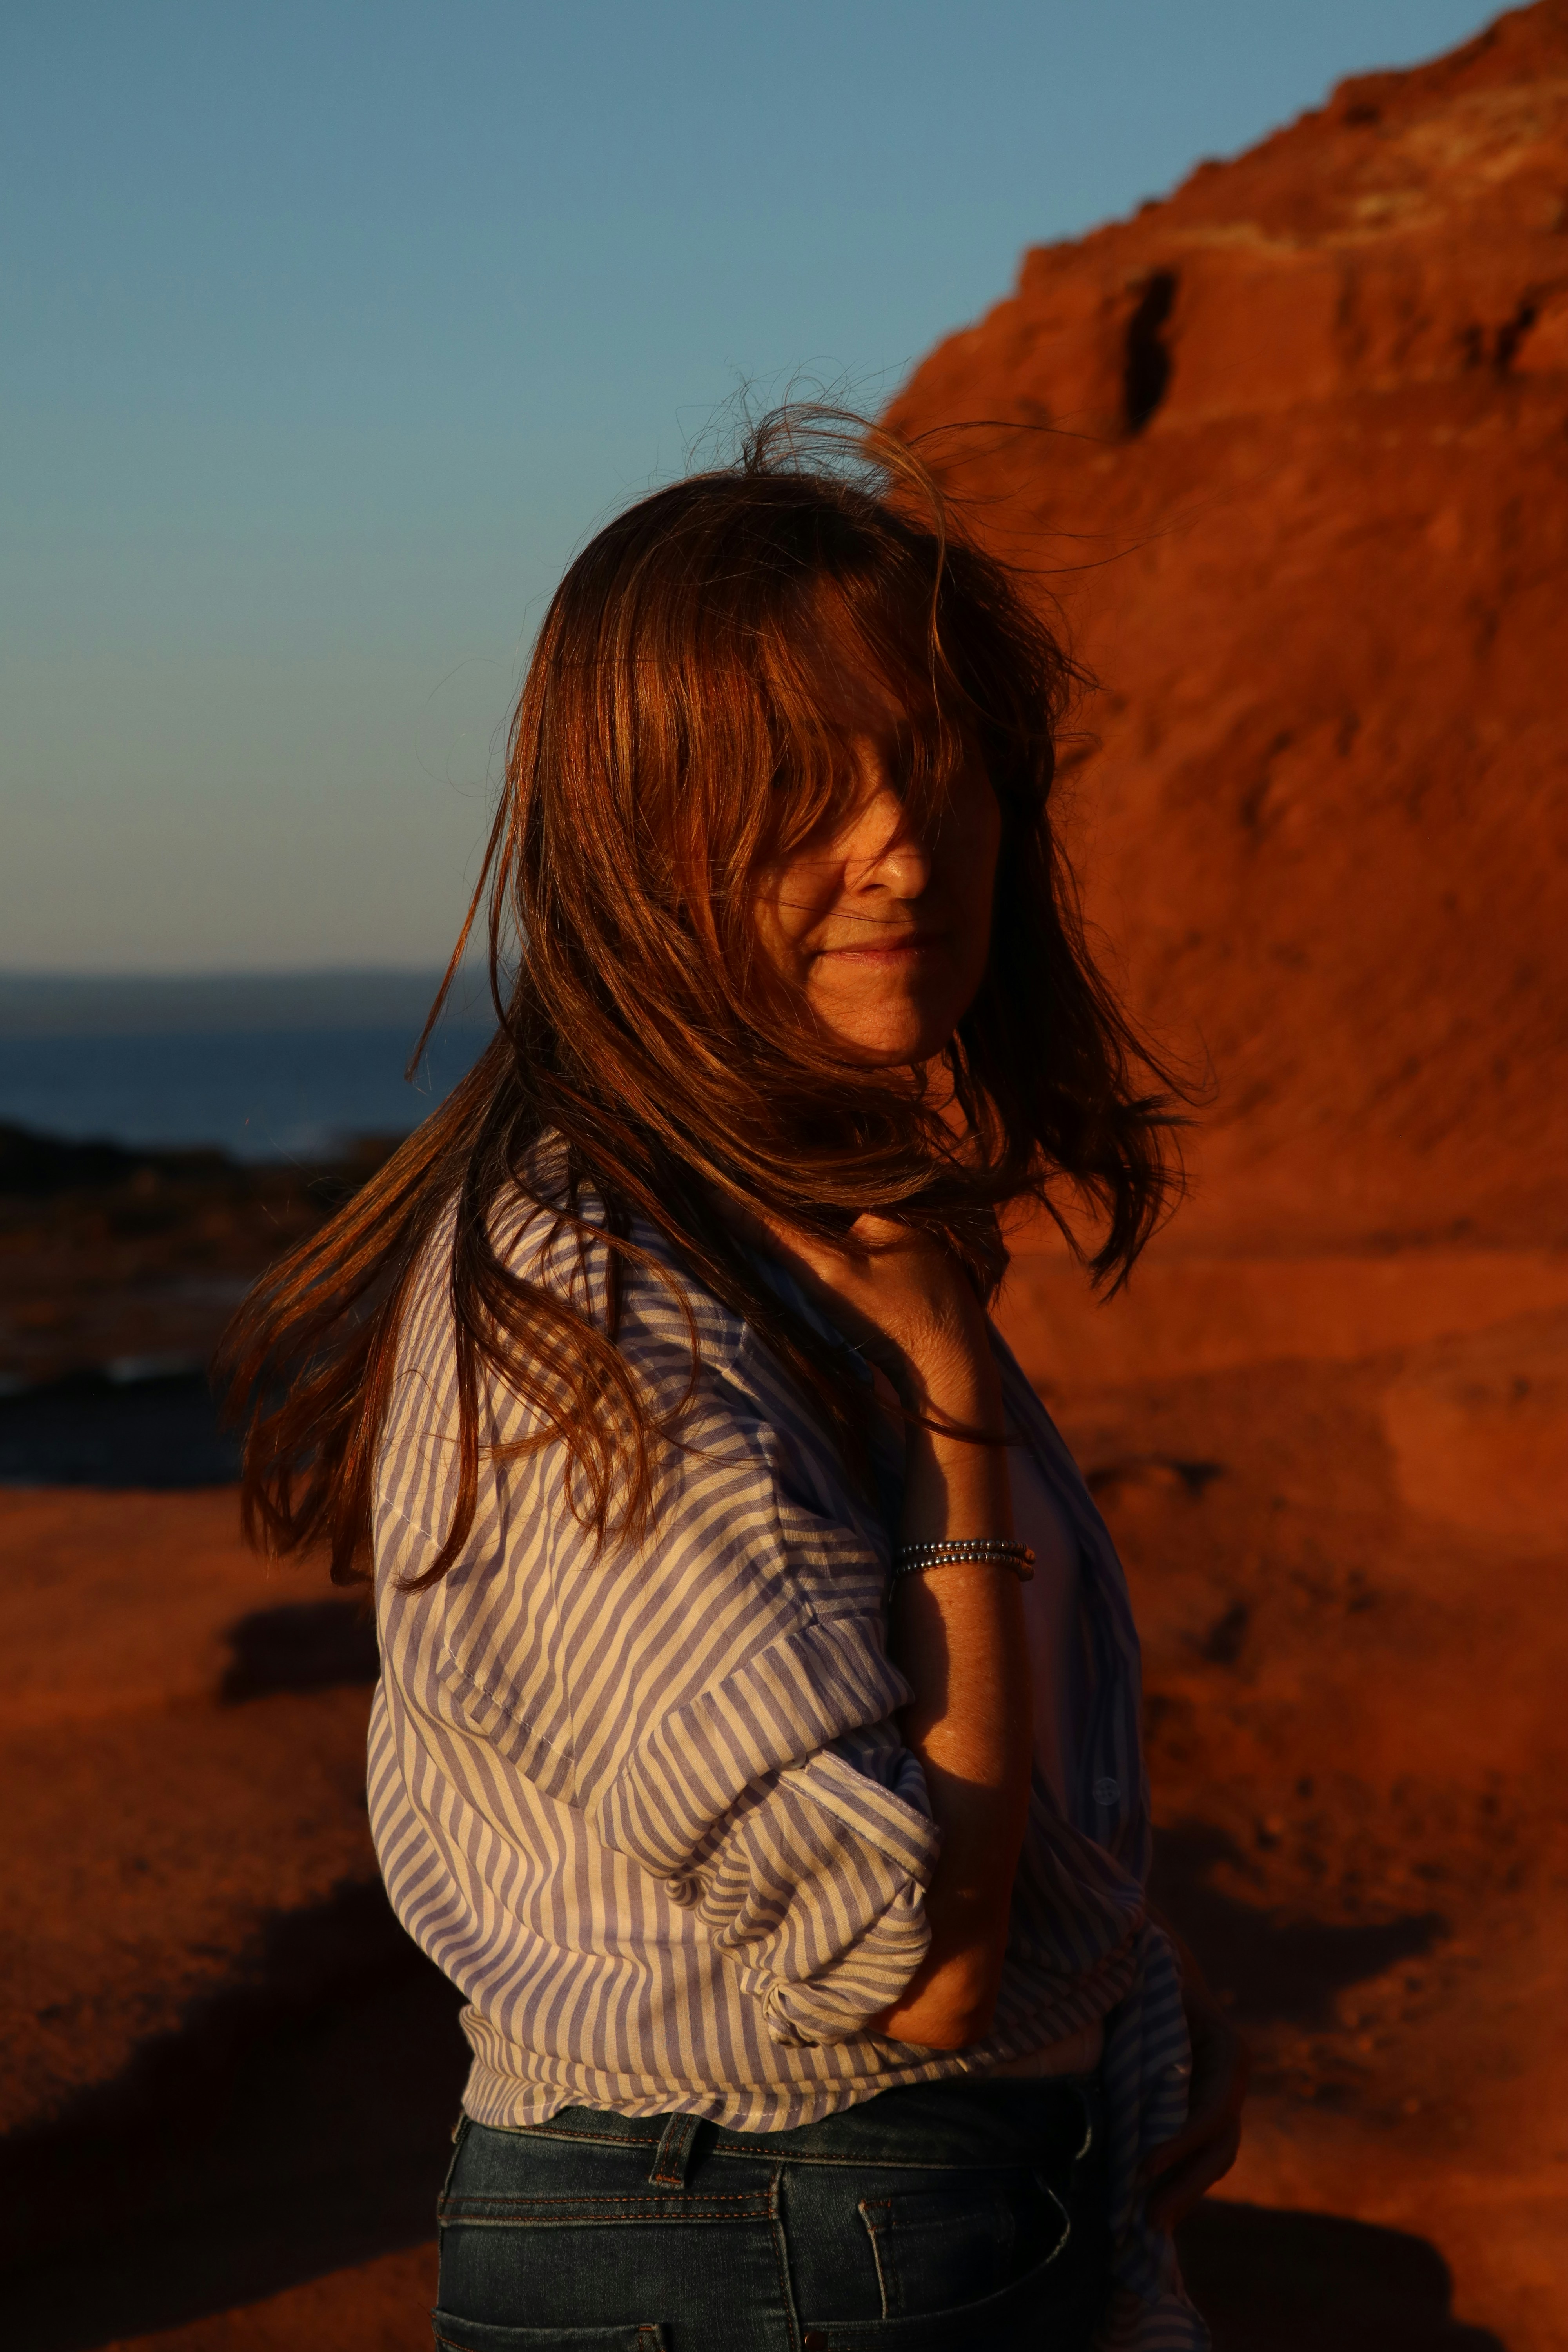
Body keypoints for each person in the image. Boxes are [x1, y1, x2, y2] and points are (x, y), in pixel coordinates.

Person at [224, 410, 1246, 2350]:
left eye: (934, 761)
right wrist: (951, 1416)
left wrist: (1127, 2005)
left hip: (863, 2221)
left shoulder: (789, 1221)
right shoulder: (607, 1290)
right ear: (636, 832)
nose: (895, 842)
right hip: (769, 2244)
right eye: (798, 783)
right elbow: (914, 1969)